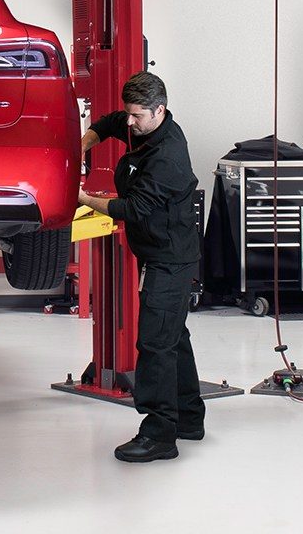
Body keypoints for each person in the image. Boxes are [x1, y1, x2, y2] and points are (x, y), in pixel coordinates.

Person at [77, 72, 204, 463]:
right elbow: (108, 124)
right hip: (157, 252)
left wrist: (80, 196)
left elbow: (131, 209)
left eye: (136, 116)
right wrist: (81, 146)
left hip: (171, 257)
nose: (128, 122)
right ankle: (189, 417)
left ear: (159, 110)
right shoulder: (141, 124)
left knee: (154, 342)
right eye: (129, 114)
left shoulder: (169, 156)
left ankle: (159, 434)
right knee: (172, 335)